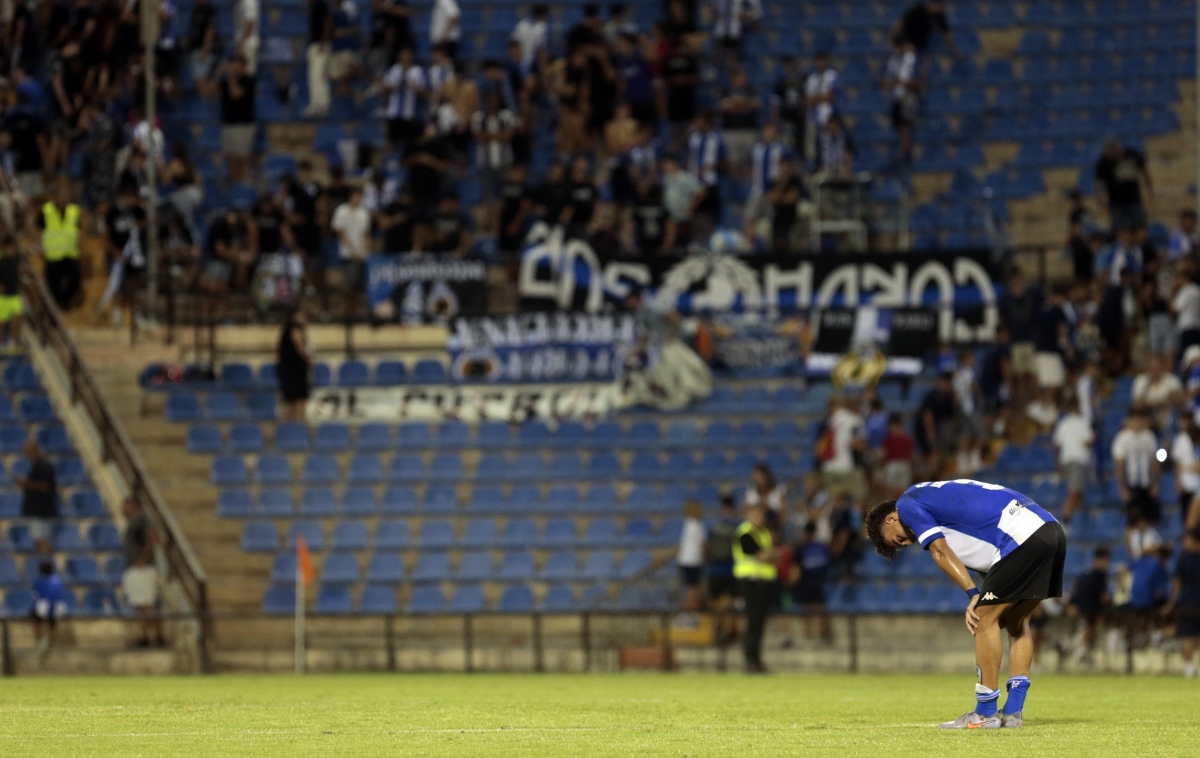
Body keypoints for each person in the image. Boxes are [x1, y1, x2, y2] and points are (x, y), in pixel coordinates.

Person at [866, 479, 1067, 729]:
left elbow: (940, 552)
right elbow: (993, 562)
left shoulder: (907, 504)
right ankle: (1013, 713)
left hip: (1022, 537)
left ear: (891, 519)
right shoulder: (937, 502)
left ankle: (984, 714)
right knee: (1016, 622)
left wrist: (974, 595)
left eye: (898, 540)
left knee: (983, 619)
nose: (908, 543)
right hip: (1051, 531)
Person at [733, 503, 776, 673]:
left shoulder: (762, 533)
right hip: (749, 581)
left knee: (758, 622)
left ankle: (755, 659)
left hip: (762, 582)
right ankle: (750, 660)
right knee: (753, 621)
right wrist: (773, 555)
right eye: (757, 515)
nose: (761, 518)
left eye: (762, 515)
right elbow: (764, 556)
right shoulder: (745, 533)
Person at [122, 498, 164, 648]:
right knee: (140, 605)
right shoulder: (133, 522)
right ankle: (144, 635)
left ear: (133, 506)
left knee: (148, 604)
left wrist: (143, 560)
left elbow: (152, 538)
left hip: (142, 569)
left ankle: (158, 635)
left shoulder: (142, 520)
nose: (123, 510)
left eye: (126, 507)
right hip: (134, 568)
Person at [38, 179, 82, 311]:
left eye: (66, 195)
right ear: (56, 196)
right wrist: (39, 246)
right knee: (53, 286)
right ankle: (55, 310)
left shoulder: (74, 211)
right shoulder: (47, 210)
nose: (64, 198)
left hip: (70, 254)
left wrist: (81, 248)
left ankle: (63, 302)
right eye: (61, 195)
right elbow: (36, 228)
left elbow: (79, 230)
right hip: (53, 256)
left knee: (75, 281)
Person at [1112, 410, 1161, 524]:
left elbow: (1154, 462)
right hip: (1131, 484)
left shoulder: (1148, 437)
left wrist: (1156, 484)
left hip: (1146, 483)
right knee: (1133, 520)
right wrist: (1122, 487)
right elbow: (1119, 464)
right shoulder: (1122, 438)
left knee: (1150, 519)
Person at [1094, 139, 1153, 233]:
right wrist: (1101, 201)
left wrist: (1150, 191)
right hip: (1116, 203)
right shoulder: (1104, 162)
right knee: (1120, 230)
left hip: (1134, 200)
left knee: (1140, 227)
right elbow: (1098, 184)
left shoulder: (1131, 156)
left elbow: (1145, 172)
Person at [1164, 531, 1200, 677]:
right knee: (1188, 636)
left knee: (1191, 636)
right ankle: (1189, 667)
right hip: (1189, 603)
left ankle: (1192, 666)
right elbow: (1177, 583)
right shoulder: (1184, 559)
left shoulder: (1184, 559)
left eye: (1186, 540)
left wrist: (1171, 602)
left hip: (1190, 602)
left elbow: (1177, 583)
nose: (1184, 544)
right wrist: (1172, 603)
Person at [1067, 546, 1111, 666]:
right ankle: (1080, 656)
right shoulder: (1100, 575)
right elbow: (1103, 596)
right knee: (1089, 631)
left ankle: (1081, 655)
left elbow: (1074, 592)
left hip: (1080, 608)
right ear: (1104, 560)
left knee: (1084, 631)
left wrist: (1072, 603)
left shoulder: (1084, 573)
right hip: (1092, 609)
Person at [1053, 401, 1094, 524]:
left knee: (1078, 494)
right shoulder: (1083, 422)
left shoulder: (1063, 423)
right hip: (1077, 461)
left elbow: (1056, 445)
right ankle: (1065, 520)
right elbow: (1088, 442)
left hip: (1066, 461)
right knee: (1074, 491)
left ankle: (1078, 523)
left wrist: (1058, 463)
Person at [789, 521, 831, 642]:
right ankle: (822, 634)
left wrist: (792, 581)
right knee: (820, 608)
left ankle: (810, 635)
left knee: (808, 609)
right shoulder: (821, 546)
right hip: (819, 581)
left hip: (806, 581)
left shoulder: (802, 547)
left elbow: (795, 567)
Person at [706, 495, 740, 641]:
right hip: (718, 568)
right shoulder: (734, 526)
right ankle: (720, 629)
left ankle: (727, 630)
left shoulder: (718, 526)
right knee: (718, 602)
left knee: (726, 602)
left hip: (727, 569)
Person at [218, 56, 257, 182]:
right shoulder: (226, 82)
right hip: (228, 124)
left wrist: (230, 76)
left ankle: (244, 184)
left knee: (240, 158)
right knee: (230, 157)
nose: (234, 68)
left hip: (243, 125)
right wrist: (216, 74)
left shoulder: (249, 81)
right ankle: (235, 185)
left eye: (237, 65)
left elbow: (235, 94)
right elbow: (209, 92)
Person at [17, 441, 57, 555]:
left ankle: (46, 563)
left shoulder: (43, 465)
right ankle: (44, 563)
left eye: (28, 452)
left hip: (41, 510)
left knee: (42, 540)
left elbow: (45, 486)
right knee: (39, 540)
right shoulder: (37, 465)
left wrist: (26, 484)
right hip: (38, 509)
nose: (26, 455)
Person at [278, 309, 313, 421]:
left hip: (292, 370)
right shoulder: (294, 329)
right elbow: (300, 347)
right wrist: (309, 359)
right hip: (293, 371)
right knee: (296, 401)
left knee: (293, 401)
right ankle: (298, 424)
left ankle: (295, 425)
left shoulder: (292, 330)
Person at [31, 559, 68, 662]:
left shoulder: (39, 580)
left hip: (44, 606)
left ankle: (39, 638)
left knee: (34, 619)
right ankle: (50, 640)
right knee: (52, 623)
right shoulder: (58, 579)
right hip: (58, 606)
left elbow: (35, 595)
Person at [677, 500, 706, 614]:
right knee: (693, 587)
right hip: (694, 560)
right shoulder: (697, 525)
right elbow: (702, 544)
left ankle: (687, 608)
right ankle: (691, 609)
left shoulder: (687, 524)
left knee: (689, 586)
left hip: (685, 559)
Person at [0, 234, 22, 347]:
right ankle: (1, 341)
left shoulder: (16, 261)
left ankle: (13, 340)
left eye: (12, 248)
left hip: (14, 295)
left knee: (17, 316)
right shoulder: (1, 262)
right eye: (8, 248)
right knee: (1, 321)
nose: (11, 250)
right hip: (2, 297)